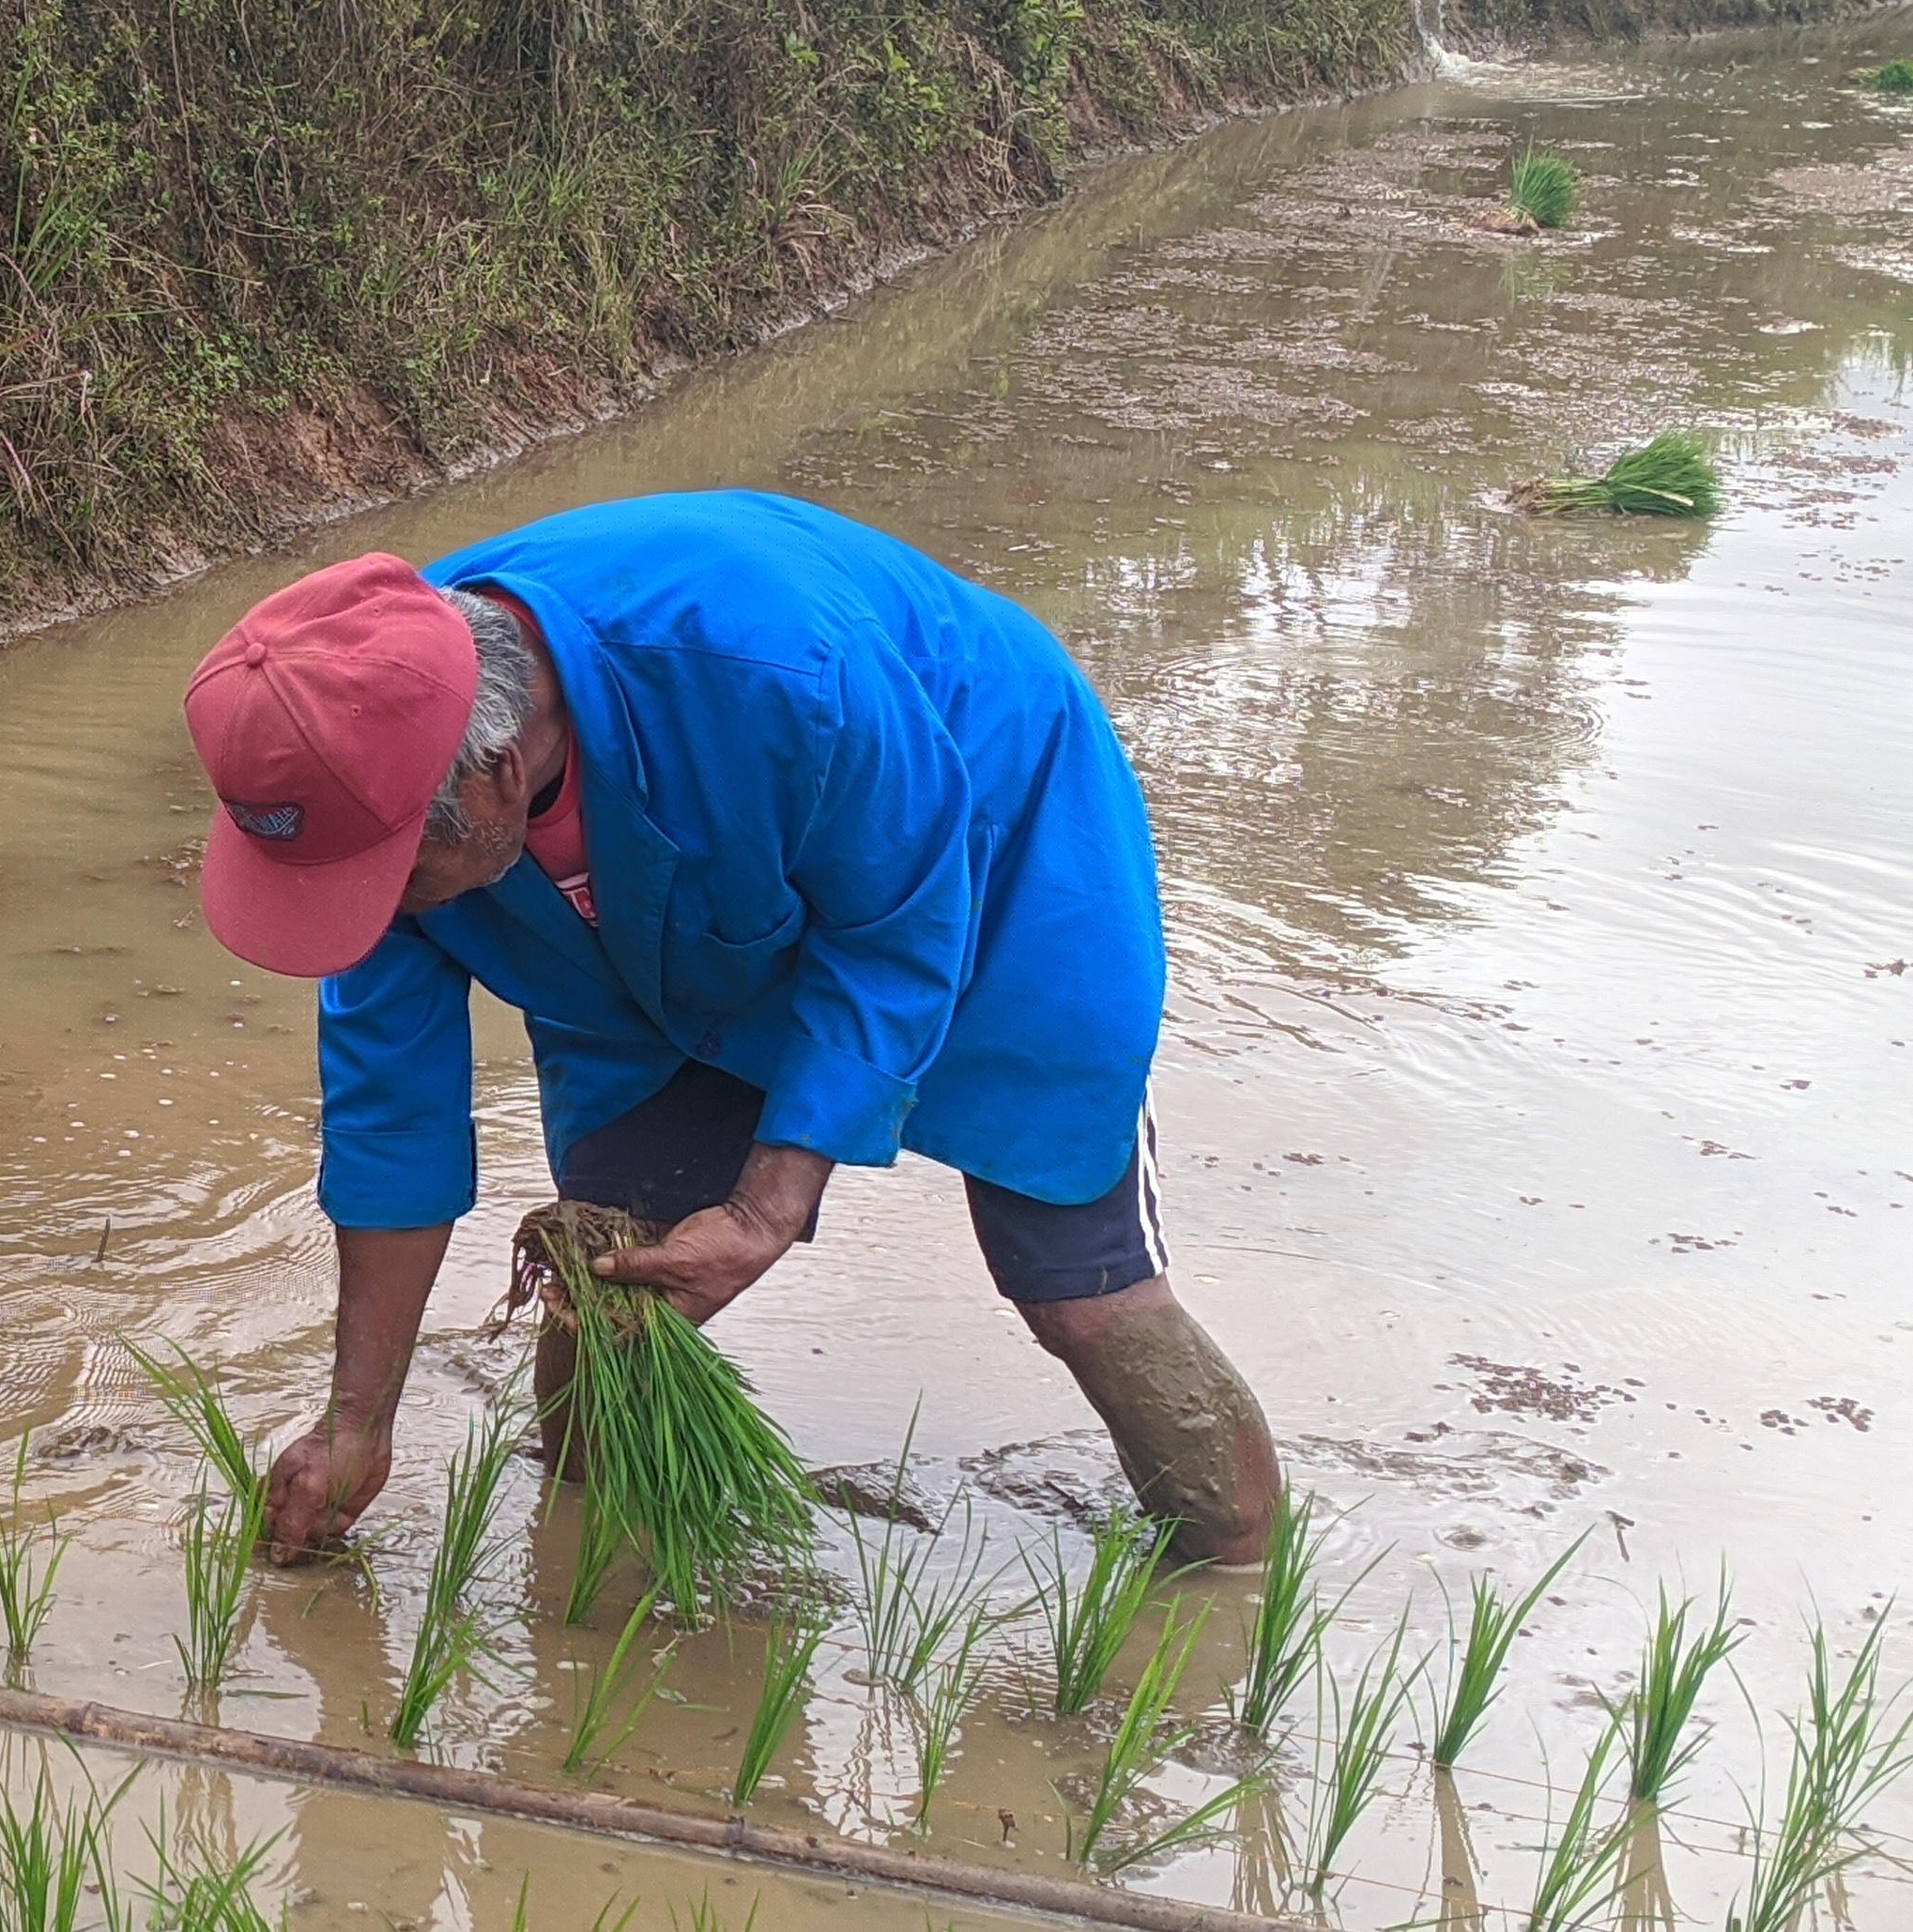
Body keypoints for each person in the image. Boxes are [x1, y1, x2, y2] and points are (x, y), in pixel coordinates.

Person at [183, 492, 1282, 1563]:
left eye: (390, 877)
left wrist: (766, 1207)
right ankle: (599, 1588)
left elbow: (896, 935)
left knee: (1079, 1288)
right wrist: (356, 1417)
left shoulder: (777, 669)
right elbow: (392, 1121)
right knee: (617, 1304)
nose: (367, 910)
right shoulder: (360, 759)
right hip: (649, 930)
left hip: (984, 857)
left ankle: (1233, 1581)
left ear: (499, 775)